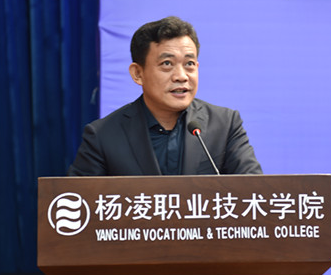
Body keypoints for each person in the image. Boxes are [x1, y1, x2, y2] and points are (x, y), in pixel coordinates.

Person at [68, 16, 261, 176]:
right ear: (138, 73)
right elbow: (79, 202)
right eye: (167, 64)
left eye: (189, 64)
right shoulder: (102, 136)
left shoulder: (225, 125)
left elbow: (254, 193)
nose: (181, 76)